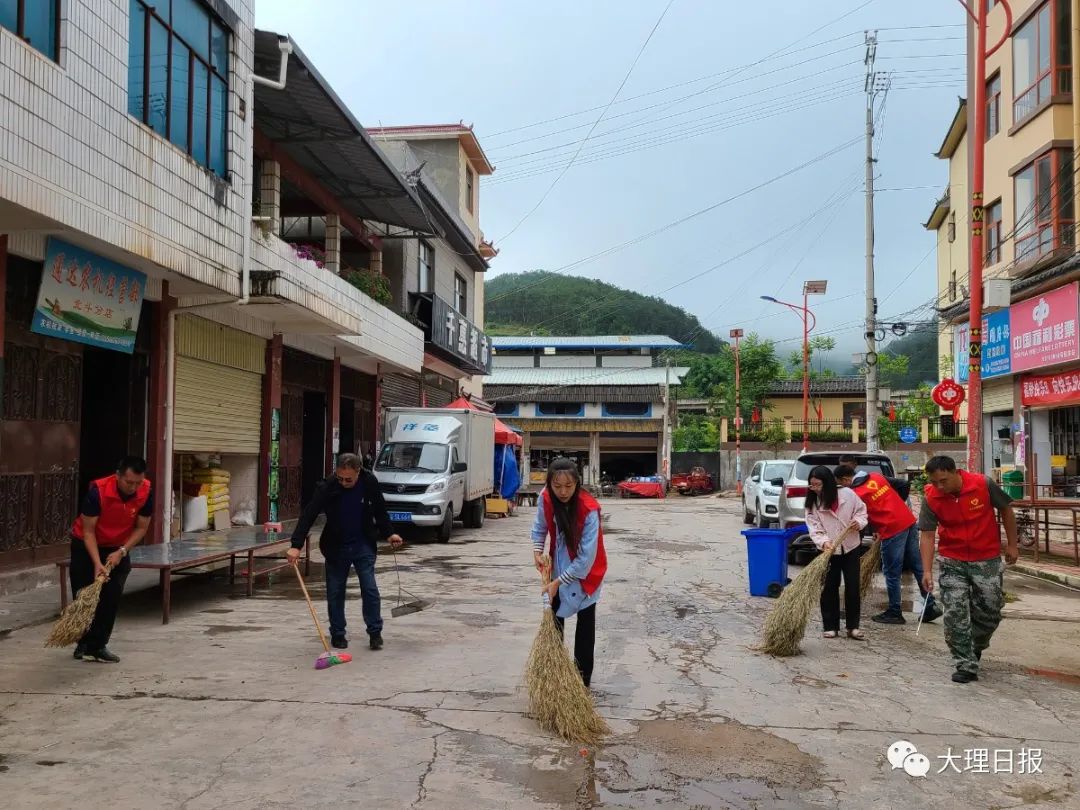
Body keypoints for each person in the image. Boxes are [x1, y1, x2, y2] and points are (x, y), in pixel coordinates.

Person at [287, 453, 403, 651]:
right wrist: (296, 545)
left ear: (358, 472)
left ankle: (375, 632)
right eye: (340, 478)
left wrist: (389, 533)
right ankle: (338, 634)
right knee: (335, 591)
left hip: (362, 544)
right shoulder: (328, 486)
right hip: (335, 546)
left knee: (369, 588)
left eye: (348, 479)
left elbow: (380, 510)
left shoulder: (369, 482)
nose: (344, 482)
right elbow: (309, 514)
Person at [919, 455, 1018, 684]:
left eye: (943, 480)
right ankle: (964, 662)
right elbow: (926, 534)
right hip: (952, 561)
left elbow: (1006, 510)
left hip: (987, 559)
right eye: (934, 482)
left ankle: (975, 646)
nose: (939, 487)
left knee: (990, 611)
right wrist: (926, 571)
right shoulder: (931, 497)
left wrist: (1012, 544)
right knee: (955, 612)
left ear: (956, 472)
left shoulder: (982, 484)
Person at [531, 458, 607, 687]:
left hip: (588, 574)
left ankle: (582, 684)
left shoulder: (589, 509)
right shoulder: (546, 498)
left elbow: (585, 561)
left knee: (585, 625)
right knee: (554, 621)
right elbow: (540, 527)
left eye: (568, 486)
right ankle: (554, 678)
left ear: (577, 484)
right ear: (549, 484)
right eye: (557, 486)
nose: (563, 492)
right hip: (557, 566)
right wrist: (536, 551)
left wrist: (557, 583)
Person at [70, 456, 153, 663]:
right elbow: (88, 532)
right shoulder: (97, 492)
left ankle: (98, 645)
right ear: (118, 476)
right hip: (87, 544)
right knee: (84, 595)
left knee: (111, 597)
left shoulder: (146, 492)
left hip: (118, 547)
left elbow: (142, 528)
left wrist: (122, 551)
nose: (133, 487)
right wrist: (97, 563)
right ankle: (83, 642)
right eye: (129, 482)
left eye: (138, 482)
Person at [834, 466, 942, 626]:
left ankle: (894, 611)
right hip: (907, 520)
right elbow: (902, 485)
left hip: (892, 528)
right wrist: (896, 506)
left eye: (841, 484)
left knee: (892, 571)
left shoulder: (856, 493)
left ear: (845, 479)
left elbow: (861, 516)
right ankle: (930, 605)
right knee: (917, 565)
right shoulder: (876, 477)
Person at [804, 465, 868, 640]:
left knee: (853, 587)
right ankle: (830, 626)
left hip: (850, 546)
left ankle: (853, 627)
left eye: (818, 485)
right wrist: (824, 542)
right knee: (829, 587)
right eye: (812, 485)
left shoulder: (848, 495)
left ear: (829, 483)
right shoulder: (813, 504)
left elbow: (862, 511)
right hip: (828, 550)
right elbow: (814, 527)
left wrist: (858, 522)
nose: (815, 489)